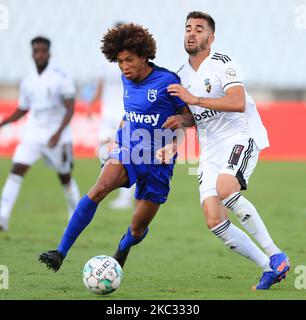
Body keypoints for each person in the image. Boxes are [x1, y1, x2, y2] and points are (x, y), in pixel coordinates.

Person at [38, 23, 189, 272]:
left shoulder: (168, 81)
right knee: (99, 188)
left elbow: (189, 117)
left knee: (137, 228)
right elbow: (132, 113)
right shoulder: (125, 78)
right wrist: (118, 138)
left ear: (144, 56)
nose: (124, 66)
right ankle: (60, 252)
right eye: (119, 61)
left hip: (159, 162)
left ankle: (124, 246)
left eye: (129, 60)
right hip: (129, 150)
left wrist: (177, 133)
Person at [159, 11, 290, 290]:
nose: (192, 33)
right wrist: (180, 121)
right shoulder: (180, 75)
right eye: (188, 28)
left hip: (239, 135)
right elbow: (195, 116)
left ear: (211, 37)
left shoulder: (223, 63)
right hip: (209, 148)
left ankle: (276, 254)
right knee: (214, 219)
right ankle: (269, 268)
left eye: (199, 29)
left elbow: (237, 101)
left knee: (226, 187)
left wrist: (193, 99)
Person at [0, 36, 81, 231]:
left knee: (65, 177)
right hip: (33, 134)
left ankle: (76, 218)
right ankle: (2, 218)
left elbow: (70, 109)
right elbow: (23, 108)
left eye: (43, 51)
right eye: (36, 51)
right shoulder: (28, 80)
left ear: (49, 53)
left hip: (57, 136)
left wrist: (57, 133)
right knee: (16, 170)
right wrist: (4, 123)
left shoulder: (61, 76)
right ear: (32, 53)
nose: (39, 54)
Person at [88, 22, 135, 210]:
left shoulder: (133, 60)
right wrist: (93, 103)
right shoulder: (106, 61)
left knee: (128, 154)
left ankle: (126, 197)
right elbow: (101, 85)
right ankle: (111, 185)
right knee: (105, 151)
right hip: (107, 113)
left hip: (125, 113)